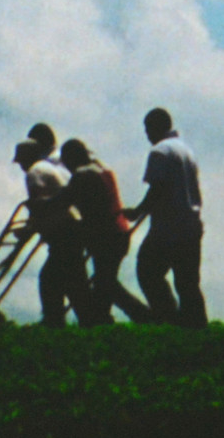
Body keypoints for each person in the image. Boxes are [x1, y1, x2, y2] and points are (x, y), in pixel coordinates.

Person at [53, 138, 152, 325]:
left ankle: (144, 316)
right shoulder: (102, 169)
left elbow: (64, 200)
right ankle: (102, 320)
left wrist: (43, 204)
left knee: (106, 283)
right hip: (118, 231)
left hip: (106, 235)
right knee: (104, 282)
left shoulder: (83, 174)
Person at [123, 108, 206, 328]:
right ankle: (197, 326)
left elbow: (157, 188)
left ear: (156, 127)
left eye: (148, 129)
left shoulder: (159, 151)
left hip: (167, 227)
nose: (147, 135)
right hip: (191, 224)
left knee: (148, 272)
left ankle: (166, 318)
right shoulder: (186, 151)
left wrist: (138, 211)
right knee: (188, 283)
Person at [14, 138, 89, 327]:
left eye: (21, 160)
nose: (21, 165)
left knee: (50, 280)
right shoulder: (50, 168)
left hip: (63, 231)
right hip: (74, 228)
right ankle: (89, 321)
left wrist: (27, 230)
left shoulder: (34, 173)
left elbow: (38, 204)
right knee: (73, 281)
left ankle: (54, 321)